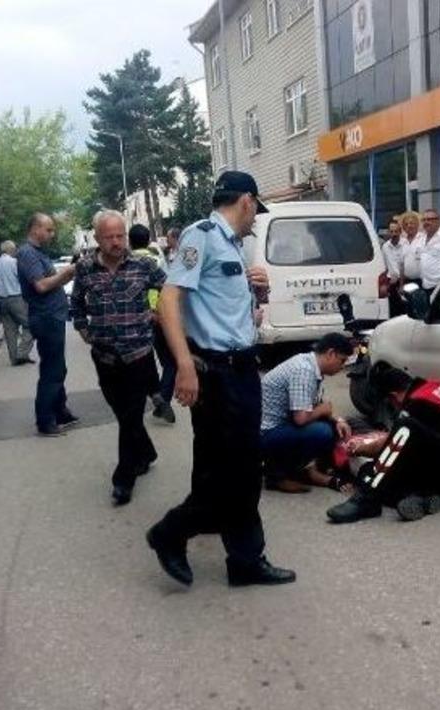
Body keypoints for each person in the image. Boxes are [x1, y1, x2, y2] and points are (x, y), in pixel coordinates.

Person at [146, 170, 296, 588]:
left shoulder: (232, 245)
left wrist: (256, 291)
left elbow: (224, 309)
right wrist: (185, 365)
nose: (254, 220)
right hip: (219, 373)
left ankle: (243, 558)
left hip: (242, 367)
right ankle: (170, 533)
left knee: (228, 468)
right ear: (246, 201)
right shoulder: (202, 234)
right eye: (255, 211)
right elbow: (170, 300)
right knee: (239, 472)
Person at [72, 211, 163, 506]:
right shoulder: (85, 269)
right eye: (109, 237)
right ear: (97, 238)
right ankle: (146, 452)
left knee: (130, 416)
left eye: (120, 235)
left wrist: (160, 313)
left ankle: (123, 479)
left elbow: (172, 290)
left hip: (138, 354)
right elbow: (75, 302)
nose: (116, 242)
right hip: (105, 356)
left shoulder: (143, 265)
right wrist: (82, 327)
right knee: (122, 412)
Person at [327, 367, 440, 524]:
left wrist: (362, 449)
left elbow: (394, 445)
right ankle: (420, 497)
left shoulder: (415, 406)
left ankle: (368, 497)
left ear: (393, 396)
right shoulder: (433, 387)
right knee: (371, 471)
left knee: (398, 436)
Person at [260, 333, 354, 493]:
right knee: (322, 431)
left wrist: (337, 419)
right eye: (342, 360)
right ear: (330, 354)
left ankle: (307, 468)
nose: (342, 367)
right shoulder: (304, 370)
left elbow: (313, 405)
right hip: (266, 434)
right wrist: (324, 410)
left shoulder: (310, 364)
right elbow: (301, 419)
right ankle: (278, 476)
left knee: (334, 425)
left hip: (281, 425)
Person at [17, 213, 77, 437]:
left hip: (52, 316)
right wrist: (68, 273)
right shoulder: (28, 253)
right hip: (46, 317)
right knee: (52, 370)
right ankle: (46, 420)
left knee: (57, 368)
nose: (52, 234)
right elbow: (41, 286)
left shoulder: (37, 253)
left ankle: (60, 411)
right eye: (49, 230)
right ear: (35, 229)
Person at [129, 223, 176, 424]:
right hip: (159, 316)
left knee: (142, 360)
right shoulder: (157, 259)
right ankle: (162, 398)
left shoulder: (126, 261)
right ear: (148, 240)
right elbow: (167, 286)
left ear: (129, 241)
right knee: (170, 362)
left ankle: (153, 398)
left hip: (136, 319)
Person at [0, 240, 33, 365]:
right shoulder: (14, 263)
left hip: (2, 299)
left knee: (10, 330)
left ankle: (14, 358)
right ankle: (22, 353)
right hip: (16, 298)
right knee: (30, 325)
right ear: (11, 250)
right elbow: (23, 280)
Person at [381, 217, 406, 318]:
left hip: (406, 281)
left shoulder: (406, 244)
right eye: (391, 231)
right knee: (394, 312)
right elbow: (384, 266)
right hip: (392, 283)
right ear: (388, 232)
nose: (394, 234)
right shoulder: (385, 247)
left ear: (400, 232)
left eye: (396, 231)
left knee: (406, 310)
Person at [400, 211, 425, 286]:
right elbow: (401, 265)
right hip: (407, 282)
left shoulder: (424, 239)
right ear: (403, 227)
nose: (409, 226)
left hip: (423, 281)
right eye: (406, 224)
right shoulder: (402, 242)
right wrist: (401, 285)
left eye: (412, 223)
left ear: (417, 225)